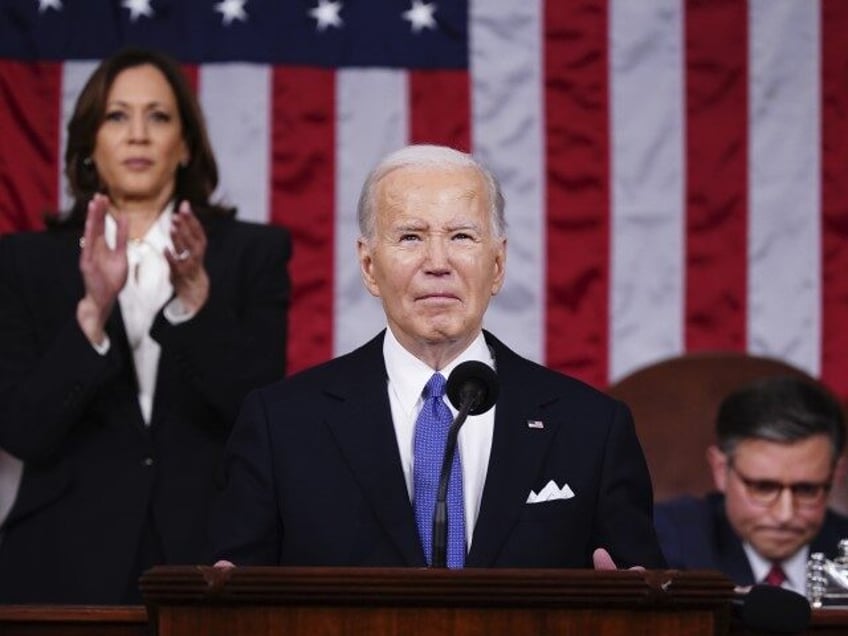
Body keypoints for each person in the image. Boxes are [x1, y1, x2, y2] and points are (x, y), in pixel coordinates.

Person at [209, 144, 665, 570]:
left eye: (462, 236)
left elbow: (646, 599)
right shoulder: (283, 426)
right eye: (410, 237)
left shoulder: (591, 429)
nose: (437, 262)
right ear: (369, 266)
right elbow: (237, 602)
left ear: (498, 265)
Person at [0, 48, 291, 604]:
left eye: (158, 116)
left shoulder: (252, 253)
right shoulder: (22, 263)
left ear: (184, 145)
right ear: (88, 145)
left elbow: (259, 416)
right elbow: (21, 431)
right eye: (116, 116)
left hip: (206, 562)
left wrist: (195, 304)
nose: (137, 134)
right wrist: (91, 313)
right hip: (58, 564)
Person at [654, 375, 848, 594]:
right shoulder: (665, 543)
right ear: (721, 470)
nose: (784, 515)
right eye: (763, 487)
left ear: (835, 474)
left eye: (807, 490)